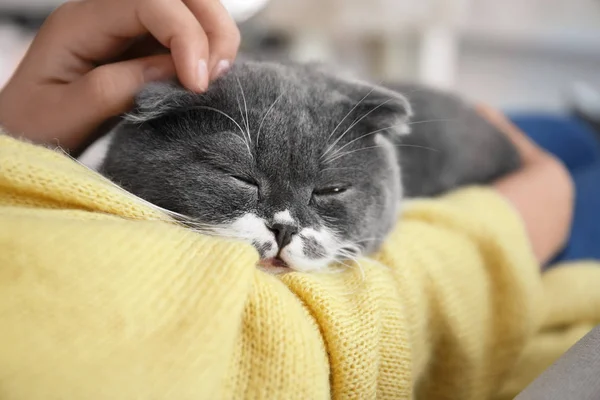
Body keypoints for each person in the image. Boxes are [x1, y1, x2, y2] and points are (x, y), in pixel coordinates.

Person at [0, 0, 588, 398]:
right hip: (508, 222)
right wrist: (500, 236)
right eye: (240, 178)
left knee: (566, 132)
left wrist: (14, 139)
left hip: (475, 155)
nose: (284, 224)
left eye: (326, 193)